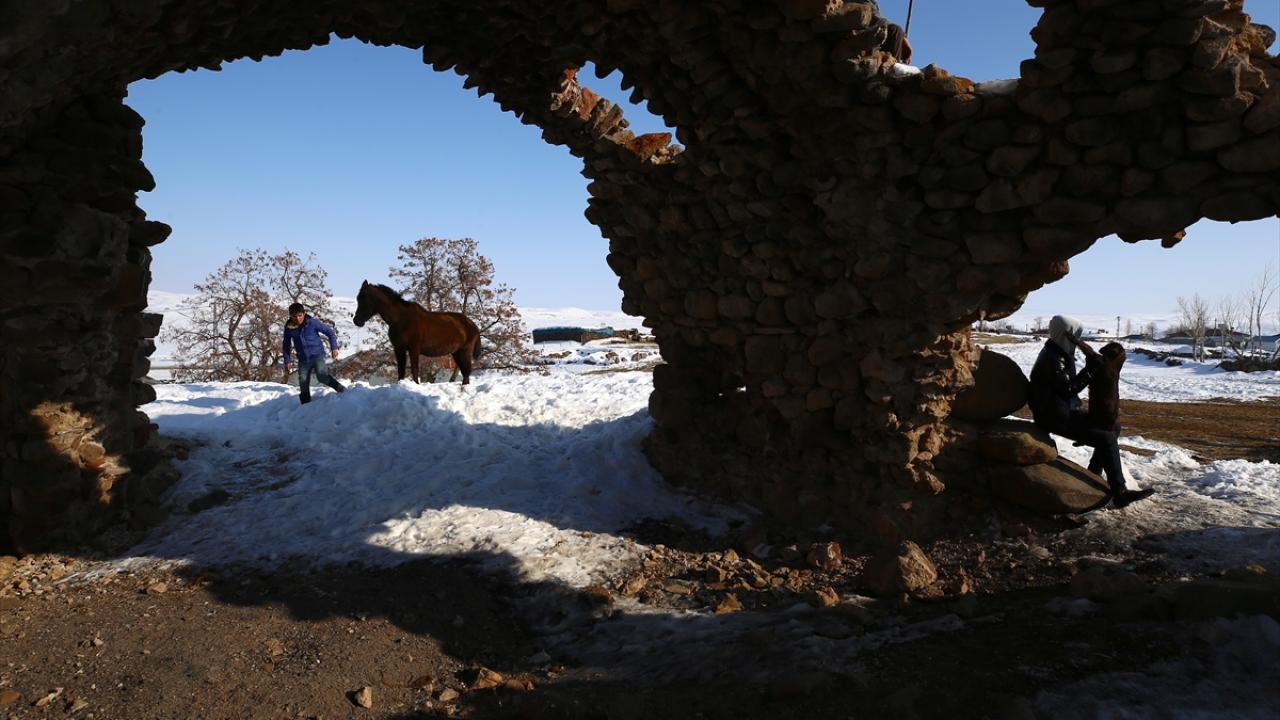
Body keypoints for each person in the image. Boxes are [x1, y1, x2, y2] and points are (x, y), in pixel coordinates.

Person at [1027, 316, 1155, 509]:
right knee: (1107, 438)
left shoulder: (1058, 352)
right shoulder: (1052, 359)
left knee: (1114, 427)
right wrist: (1091, 369)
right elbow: (1068, 389)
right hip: (1053, 416)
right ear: (1064, 334)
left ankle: (1093, 474)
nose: (1075, 340)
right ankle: (1119, 492)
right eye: (1073, 335)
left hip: (1063, 410)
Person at [281, 302, 345, 405]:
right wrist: (287, 360)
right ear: (290, 316)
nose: (297, 319)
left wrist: (334, 348)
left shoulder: (312, 323)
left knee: (322, 376)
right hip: (303, 359)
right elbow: (286, 345)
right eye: (294, 316)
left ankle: (341, 389)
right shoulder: (289, 328)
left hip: (317, 355)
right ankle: (305, 404)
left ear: (304, 314)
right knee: (303, 381)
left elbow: (330, 332)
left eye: (300, 315)